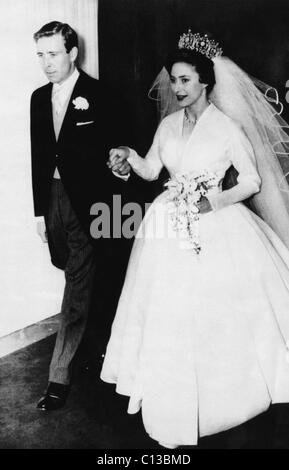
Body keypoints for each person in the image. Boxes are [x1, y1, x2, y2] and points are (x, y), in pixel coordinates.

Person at [101, 30, 289, 448]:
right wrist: (127, 157)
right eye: (173, 79)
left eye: (185, 79)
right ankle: (170, 389)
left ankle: (224, 392)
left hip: (216, 225)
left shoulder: (227, 128)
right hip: (167, 226)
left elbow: (253, 182)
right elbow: (152, 171)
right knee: (167, 307)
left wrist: (211, 203)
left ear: (204, 80)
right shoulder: (168, 124)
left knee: (215, 310)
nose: (176, 88)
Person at [30, 21, 130, 411]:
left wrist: (120, 162)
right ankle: (94, 345)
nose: (47, 63)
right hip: (53, 201)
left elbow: (120, 147)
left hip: (89, 206)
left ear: (72, 53)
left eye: (53, 54)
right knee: (71, 271)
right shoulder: (38, 99)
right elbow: (39, 158)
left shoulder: (100, 94)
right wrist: (40, 212)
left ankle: (58, 377)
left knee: (76, 288)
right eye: (41, 55)